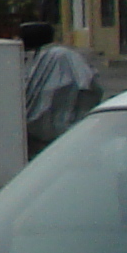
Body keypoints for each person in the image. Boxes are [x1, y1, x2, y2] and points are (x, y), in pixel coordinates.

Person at [19, 21, 103, 156]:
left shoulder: (59, 56)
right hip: (41, 135)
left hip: (62, 131)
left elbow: (86, 83)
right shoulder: (37, 57)